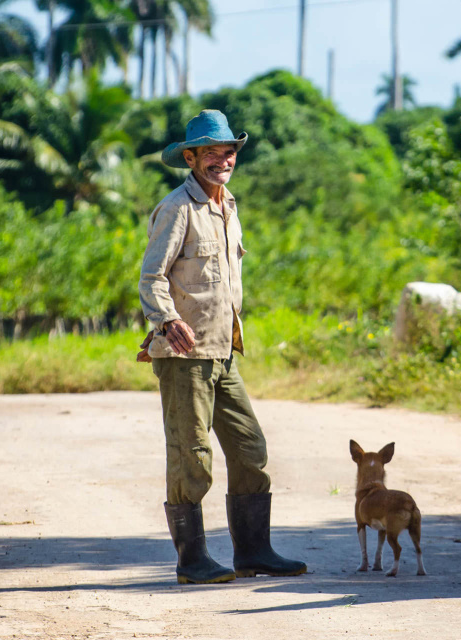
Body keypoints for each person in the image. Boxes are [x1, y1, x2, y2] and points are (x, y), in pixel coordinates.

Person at [137, 109, 306, 584]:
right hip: (184, 357)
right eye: (210, 152)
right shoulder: (177, 208)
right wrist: (167, 320)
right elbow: (151, 278)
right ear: (190, 157)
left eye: (228, 151)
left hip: (223, 352)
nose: (222, 159)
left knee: (250, 448)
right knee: (192, 456)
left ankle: (255, 553)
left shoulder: (228, 205)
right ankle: (192, 561)